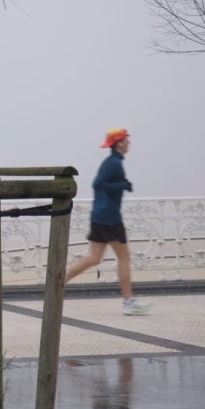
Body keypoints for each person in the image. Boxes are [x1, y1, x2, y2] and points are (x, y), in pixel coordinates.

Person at [64, 128, 150, 315]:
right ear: (119, 143)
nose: (128, 143)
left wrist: (121, 185)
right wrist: (123, 185)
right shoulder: (114, 163)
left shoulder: (112, 162)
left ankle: (57, 283)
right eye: (126, 140)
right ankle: (128, 302)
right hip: (110, 218)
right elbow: (98, 184)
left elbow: (100, 184)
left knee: (93, 258)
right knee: (124, 258)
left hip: (99, 216)